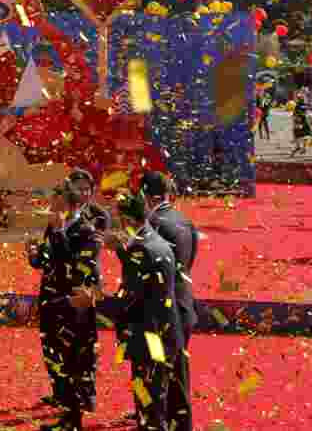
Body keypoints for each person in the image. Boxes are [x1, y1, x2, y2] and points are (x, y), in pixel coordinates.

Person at [73, 191, 183, 431]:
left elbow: (127, 303)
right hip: (161, 335)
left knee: (150, 410)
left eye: (116, 217)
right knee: (154, 402)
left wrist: (92, 300)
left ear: (127, 220)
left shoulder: (141, 250)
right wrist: (122, 248)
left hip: (151, 339)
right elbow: (145, 277)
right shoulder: (153, 240)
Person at [27, 179, 102, 431]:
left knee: (72, 363)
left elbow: (73, 272)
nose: (50, 205)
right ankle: (66, 415)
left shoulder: (86, 231)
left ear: (68, 203)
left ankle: (74, 420)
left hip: (72, 307)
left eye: (55, 200)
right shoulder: (54, 227)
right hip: (51, 303)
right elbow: (49, 263)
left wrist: (58, 233)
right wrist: (34, 256)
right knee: (54, 359)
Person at [139, 172, 198, 431]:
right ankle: (181, 421)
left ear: (144, 195)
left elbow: (148, 273)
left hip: (159, 311)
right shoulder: (185, 221)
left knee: (155, 373)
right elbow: (188, 264)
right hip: (184, 306)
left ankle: (155, 421)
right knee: (178, 370)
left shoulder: (153, 225)